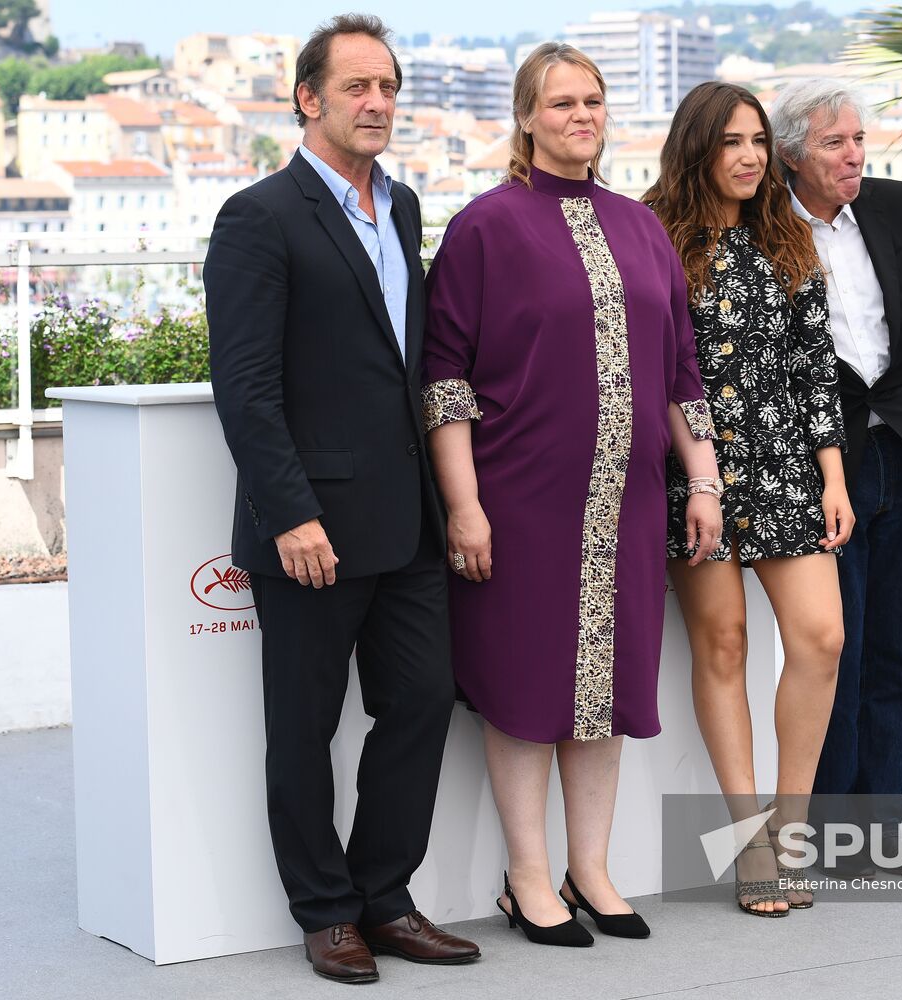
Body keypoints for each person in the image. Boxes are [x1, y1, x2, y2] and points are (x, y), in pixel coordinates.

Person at [422, 42, 721, 947]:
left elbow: (680, 371)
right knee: (525, 686)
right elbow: (445, 380)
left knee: (606, 689)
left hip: (625, 506)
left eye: (592, 101)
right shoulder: (484, 227)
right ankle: (524, 878)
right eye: (560, 103)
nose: (580, 116)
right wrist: (464, 506)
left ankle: (589, 869)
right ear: (526, 117)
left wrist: (703, 479)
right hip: (519, 505)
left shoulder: (641, 228)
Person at [204, 14, 479, 984]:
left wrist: (451, 503)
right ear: (307, 99)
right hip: (310, 527)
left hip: (406, 522)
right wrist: (289, 513)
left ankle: (384, 897)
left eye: (389, 87)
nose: (378, 103)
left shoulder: (400, 206)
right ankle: (323, 913)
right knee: (305, 726)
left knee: (421, 700)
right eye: (357, 86)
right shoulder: (259, 216)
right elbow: (245, 385)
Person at [643, 81, 851, 916]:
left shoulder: (786, 237)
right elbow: (652, 365)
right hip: (693, 471)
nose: (750, 156)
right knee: (722, 645)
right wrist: (698, 476)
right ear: (698, 147)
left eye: (759, 141)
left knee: (822, 639)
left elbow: (814, 368)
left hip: (788, 468)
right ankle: (751, 844)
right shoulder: (655, 238)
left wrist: (832, 476)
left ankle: (790, 831)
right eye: (731, 141)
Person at [769, 79, 902, 875]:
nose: (854, 155)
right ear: (792, 156)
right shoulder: (762, 223)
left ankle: (880, 829)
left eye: (857, 139)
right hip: (821, 465)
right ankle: (823, 830)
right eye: (834, 143)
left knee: (892, 651)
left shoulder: (892, 203)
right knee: (829, 652)